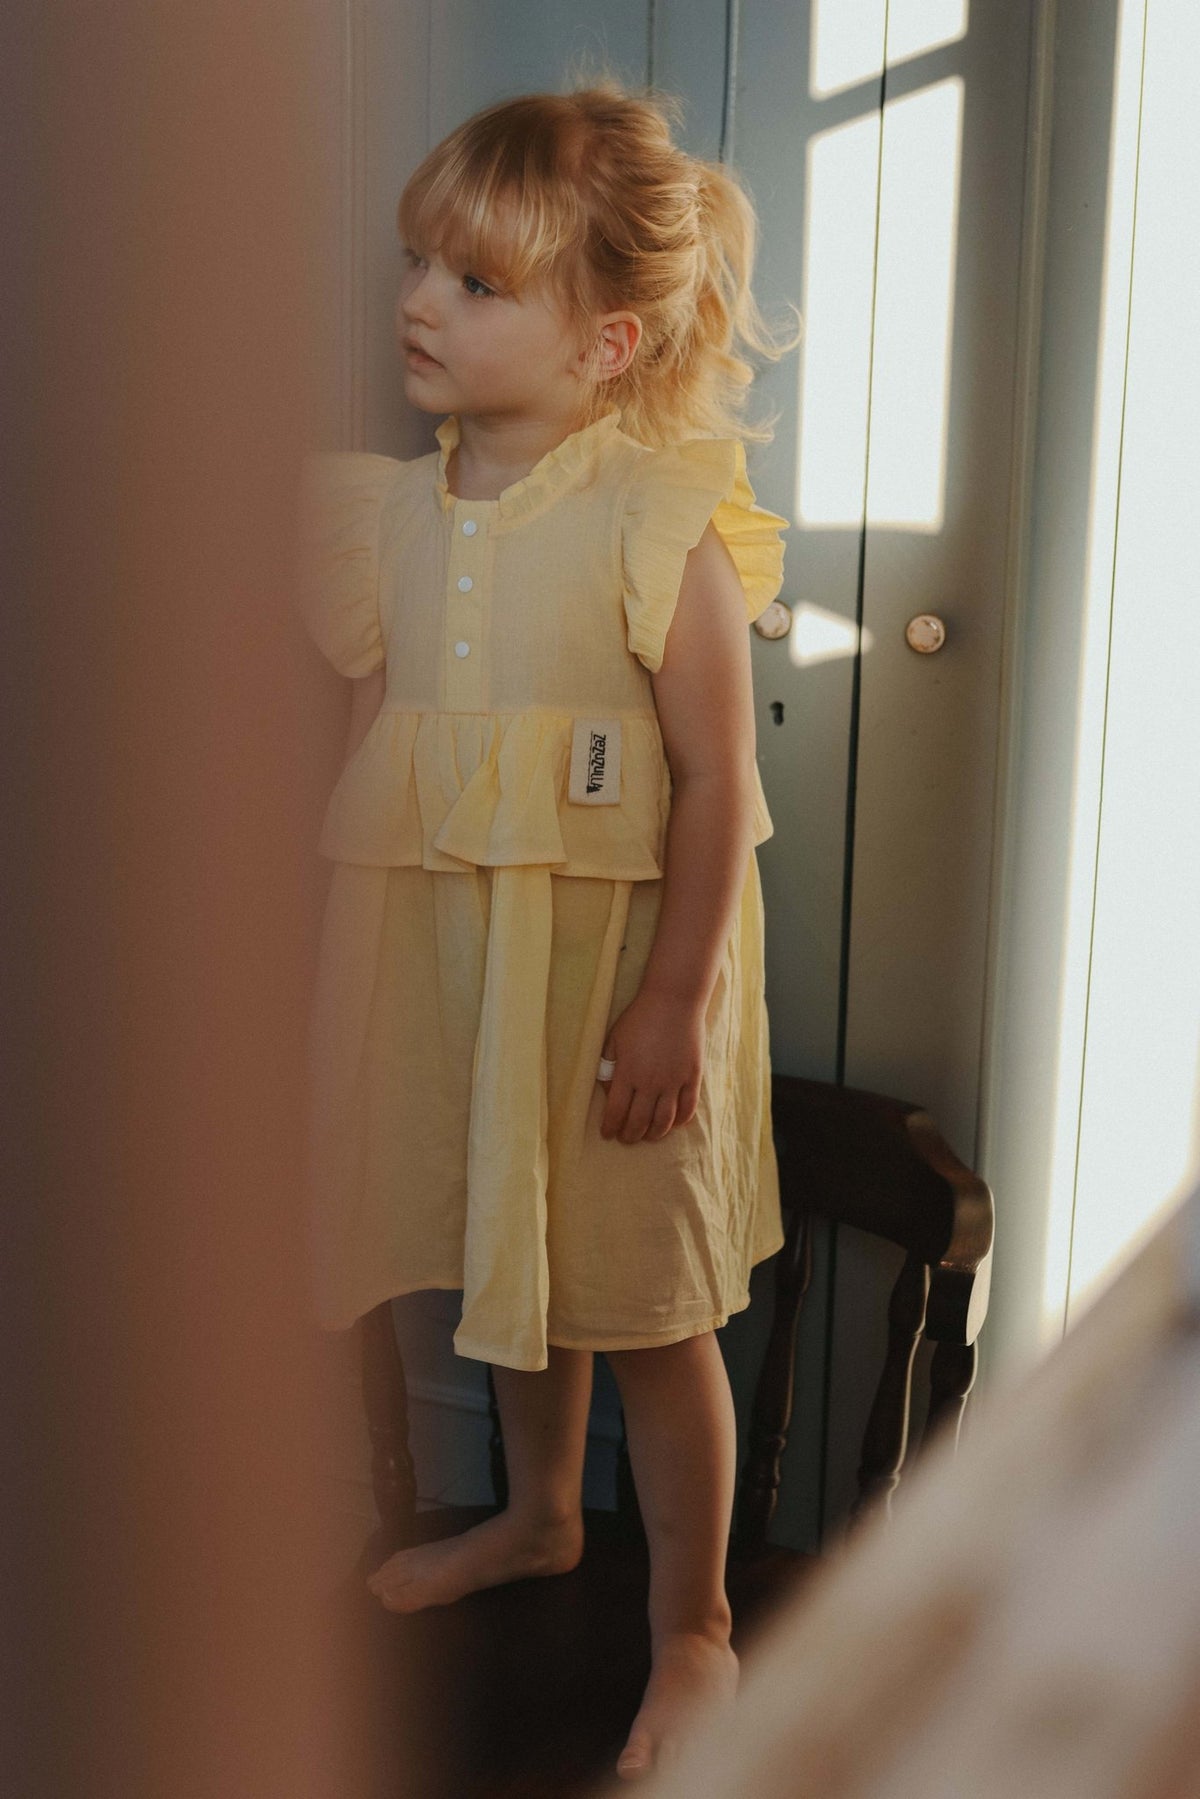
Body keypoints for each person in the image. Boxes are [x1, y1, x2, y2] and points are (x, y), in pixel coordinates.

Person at [296, 78, 799, 1783]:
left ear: (606, 343)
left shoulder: (658, 520)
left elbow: (719, 787)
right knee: (507, 1265)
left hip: (621, 981)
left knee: (644, 1305)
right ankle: (531, 1520)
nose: (420, 304)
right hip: (459, 968)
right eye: (421, 265)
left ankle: (697, 1629)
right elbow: (376, 748)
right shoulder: (387, 519)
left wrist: (674, 1001)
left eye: (480, 282)